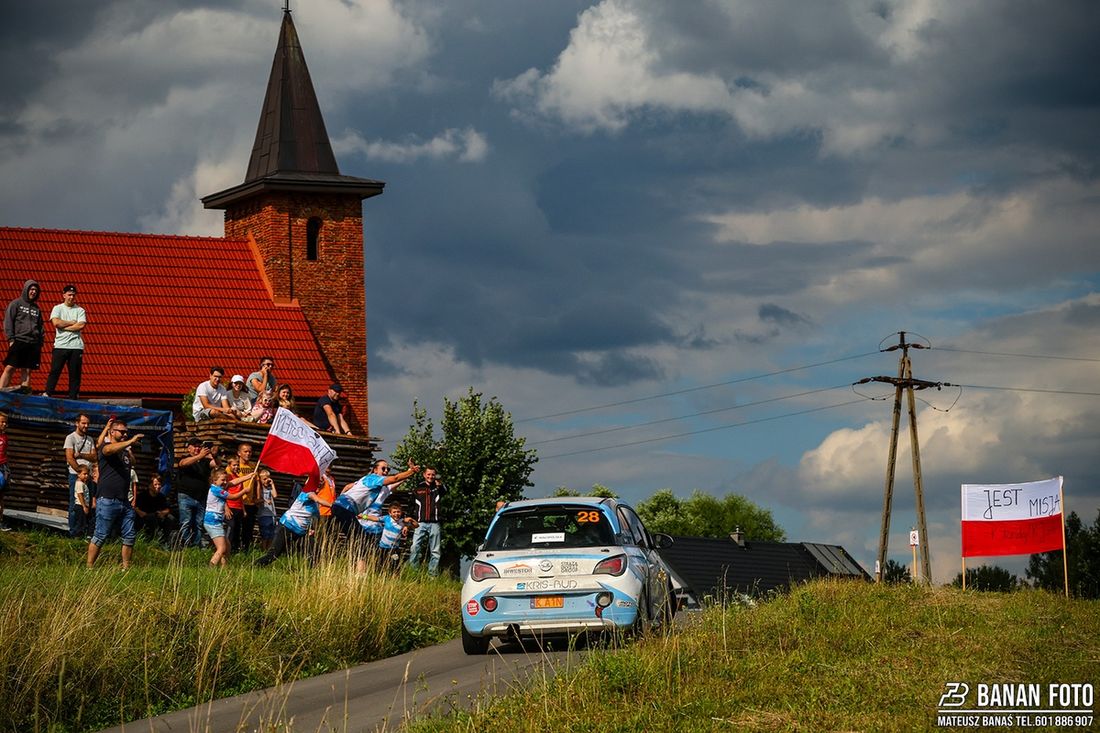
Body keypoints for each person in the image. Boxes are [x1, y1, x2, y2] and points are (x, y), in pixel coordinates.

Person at [331, 459, 418, 573]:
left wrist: (410, 471)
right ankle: (359, 574)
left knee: (360, 542)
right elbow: (395, 478)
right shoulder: (373, 478)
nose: (386, 471)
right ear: (375, 470)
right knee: (360, 542)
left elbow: (397, 480)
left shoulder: (374, 483)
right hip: (345, 509)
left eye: (388, 469)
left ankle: (359, 572)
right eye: (383, 468)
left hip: (343, 510)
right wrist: (412, 471)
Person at [86, 419, 143, 569]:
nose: (125, 434)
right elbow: (108, 450)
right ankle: (89, 568)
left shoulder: (124, 451)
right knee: (100, 535)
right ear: (112, 432)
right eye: (121, 432)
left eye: (126, 432)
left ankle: (126, 568)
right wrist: (130, 441)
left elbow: (133, 462)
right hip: (107, 499)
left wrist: (129, 449)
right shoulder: (105, 447)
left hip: (124, 500)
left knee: (129, 536)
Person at [256, 476, 332, 567]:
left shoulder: (314, 504)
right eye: (317, 482)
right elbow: (317, 499)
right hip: (287, 527)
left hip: (301, 532)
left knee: (315, 552)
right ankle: (254, 566)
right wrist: (333, 505)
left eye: (322, 482)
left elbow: (312, 517)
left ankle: (313, 572)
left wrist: (311, 528)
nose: (320, 484)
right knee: (274, 554)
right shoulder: (307, 492)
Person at [203, 468, 256, 567]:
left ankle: (224, 569)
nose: (225, 482)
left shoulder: (220, 486)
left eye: (226, 479)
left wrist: (248, 477)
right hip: (212, 522)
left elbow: (234, 482)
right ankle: (210, 567)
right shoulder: (216, 490)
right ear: (214, 480)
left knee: (227, 547)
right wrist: (244, 491)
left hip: (216, 522)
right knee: (222, 548)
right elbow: (233, 497)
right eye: (223, 480)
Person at [43, 284, 87, 399]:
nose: (71, 297)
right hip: (60, 345)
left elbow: (81, 325)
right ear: (64, 295)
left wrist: (64, 326)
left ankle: (73, 396)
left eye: (73, 295)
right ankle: (48, 393)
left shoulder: (80, 310)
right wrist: (72, 322)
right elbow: (56, 323)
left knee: (75, 374)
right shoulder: (57, 308)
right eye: (69, 295)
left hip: (76, 346)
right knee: (55, 370)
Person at [1, 280, 44, 392]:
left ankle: (24, 396)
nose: (33, 292)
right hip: (19, 340)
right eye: (31, 289)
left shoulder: (36, 308)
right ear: (26, 289)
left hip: (33, 343)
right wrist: (11, 339)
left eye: (35, 290)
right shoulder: (16, 304)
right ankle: (1, 391)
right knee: (10, 367)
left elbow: (40, 326)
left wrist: (40, 343)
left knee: (27, 370)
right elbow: (8, 321)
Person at [176, 437, 217, 547]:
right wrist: (200, 456)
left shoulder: (205, 461)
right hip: (186, 496)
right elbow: (183, 464)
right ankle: (184, 545)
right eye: (195, 446)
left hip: (201, 497)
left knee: (199, 523)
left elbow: (216, 464)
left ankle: (195, 546)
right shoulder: (184, 458)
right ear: (189, 448)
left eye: (199, 446)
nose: (197, 448)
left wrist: (214, 455)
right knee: (186, 522)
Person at [407, 467, 447, 576]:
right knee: (415, 547)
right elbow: (411, 505)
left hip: (435, 523)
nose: (430, 477)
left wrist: (440, 485)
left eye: (433, 475)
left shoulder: (438, 487)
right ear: (424, 475)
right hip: (420, 523)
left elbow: (445, 491)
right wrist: (408, 519)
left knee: (435, 551)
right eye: (428, 474)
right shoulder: (418, 488)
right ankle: (413, 573)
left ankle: (432, 575)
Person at [64, 413, 97, 538]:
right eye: (83, 423)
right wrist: (80, 473)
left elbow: (94, 457)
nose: (86, 425)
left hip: (88, 476)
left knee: (88, 503)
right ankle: (73, 532)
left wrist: (81, 455)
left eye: (88, 423)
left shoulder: (90, 439)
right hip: (76, 476)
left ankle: (84, 531)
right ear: (77, 423)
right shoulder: (70, 438)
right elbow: (70, 457)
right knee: (75, 504)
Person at [364, 500, 418, 572]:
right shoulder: (387, 518)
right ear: (390, 513)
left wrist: (411, 520)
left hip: (394, 549)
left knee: (394, 567)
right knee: (380, 566)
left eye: (398, 512)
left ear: (401, 512)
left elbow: (416, 525)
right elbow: (375, 518)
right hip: (383, 548)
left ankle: (394, 577)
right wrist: (363, 516)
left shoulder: (402, 522)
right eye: (394, 512)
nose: (396, 514)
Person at [134, 475, 174, 545]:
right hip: (144, 518)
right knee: (152, 518)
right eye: (155, 484)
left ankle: (166, 542)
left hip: (157, 516)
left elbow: (168, 509)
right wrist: (144, 514)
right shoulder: (142, 496)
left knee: (170, 519)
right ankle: (152, 541)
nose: (158, 486)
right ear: (150, 485)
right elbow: (135, 508)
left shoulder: (161, 496)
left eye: (159, 484)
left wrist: (162, 513)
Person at [255, 469, 278, 551]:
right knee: (265, 535)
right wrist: (264, 500)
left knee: (271, 535)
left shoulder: (269, 488)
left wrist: (272, 484)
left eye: (268, 478)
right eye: (264, 479)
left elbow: (275, 495)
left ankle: (268, 551)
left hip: (272, 514)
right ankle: (263, 550)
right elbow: (256, 500)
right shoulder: (259, 489)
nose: (266, 480)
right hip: (264, 514)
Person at [73, 465, 93, 538]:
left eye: (87, 474)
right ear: (78, 474)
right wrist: (84, 506)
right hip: (80, 505)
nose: (86, 476)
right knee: (80, 522)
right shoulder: (79, 483)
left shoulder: (83, 483)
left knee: (85, 521)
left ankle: (85, 535)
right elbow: (80, 495)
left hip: (84, 505)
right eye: (84, 474)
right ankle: (77, 536)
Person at [0, 413, 10, 531]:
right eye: (2, 422)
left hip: (2, 467)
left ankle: (1, 521)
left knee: (1, 496)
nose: (4, 424)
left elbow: (5, 452)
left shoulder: (5, 437)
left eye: (5, 422)